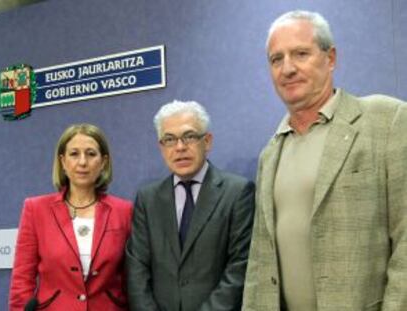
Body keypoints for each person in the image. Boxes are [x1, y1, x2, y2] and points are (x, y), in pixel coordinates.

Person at [242, 10, 407, 311]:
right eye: (276, 59)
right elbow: (260, 260)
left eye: (300, 54)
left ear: (330, 58)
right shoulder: (271, 152)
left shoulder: (386, 120)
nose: (287, 68)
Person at [126, 100, 255, 311]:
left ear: (207, 141)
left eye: (189, 137)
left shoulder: (237, 192)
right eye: (169, 139)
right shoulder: (147, 199)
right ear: (161, 147)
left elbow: (240, 267)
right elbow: (137, 269)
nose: (179, 147)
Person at [9, 123, 133, 311]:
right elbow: (22, 280)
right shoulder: (36, 209)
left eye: (91, 154)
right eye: (74, 154)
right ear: (63, 162)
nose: (82, 162)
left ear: (103, 162)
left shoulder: (124, 211)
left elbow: (131, 279)